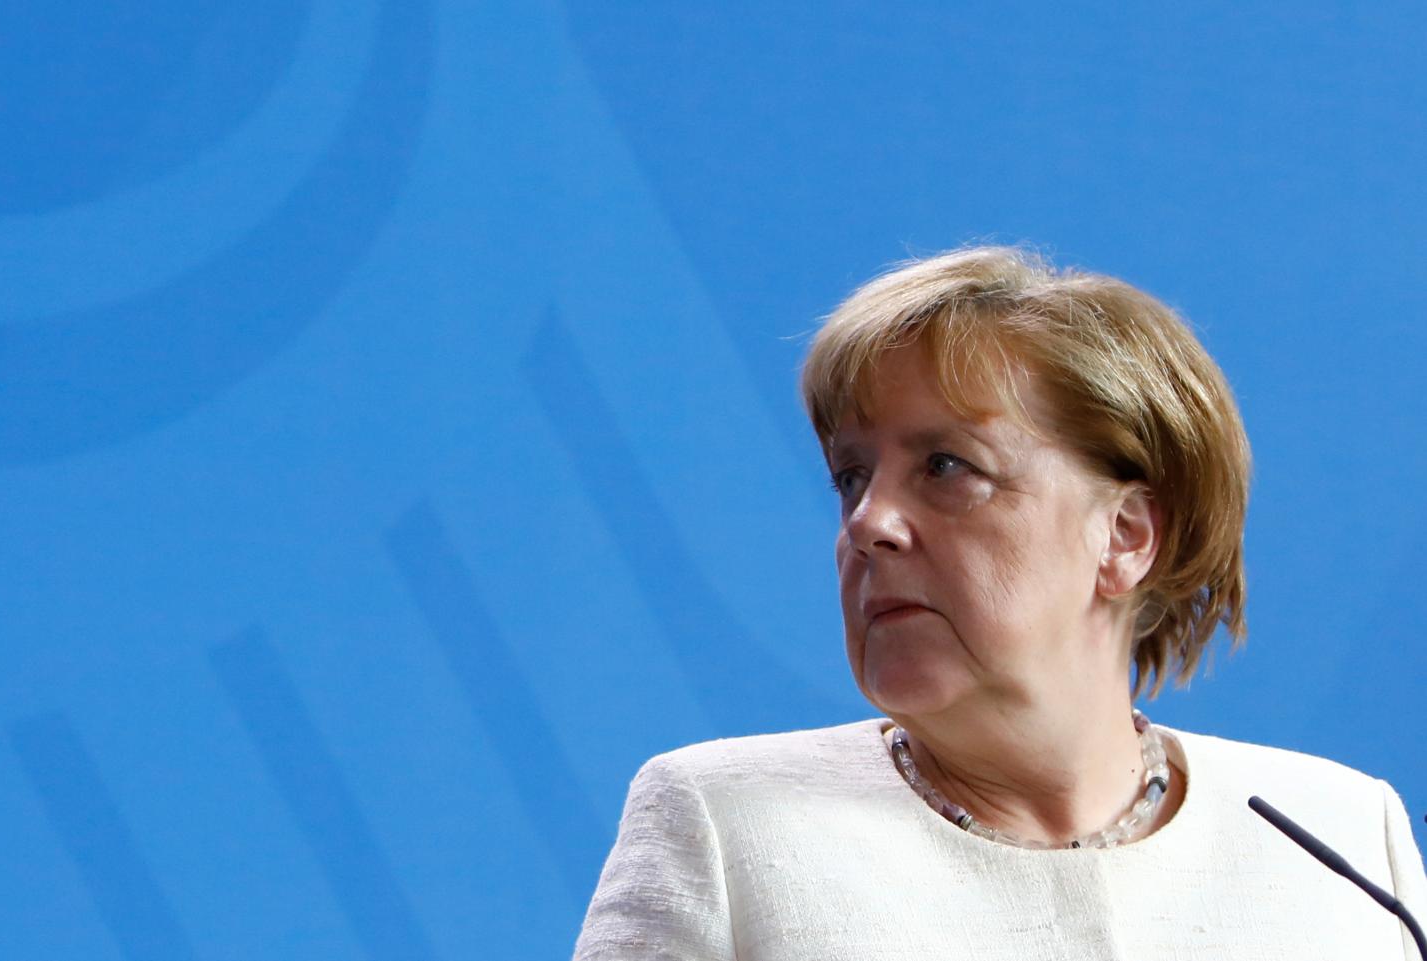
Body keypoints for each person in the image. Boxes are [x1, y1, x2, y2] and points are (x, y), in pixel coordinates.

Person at [572, 246, 1427, 960]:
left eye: (946, 466)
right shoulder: (726, 826)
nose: (868, 523)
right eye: (851, 478)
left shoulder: (1343, 837)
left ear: (1125, 535)